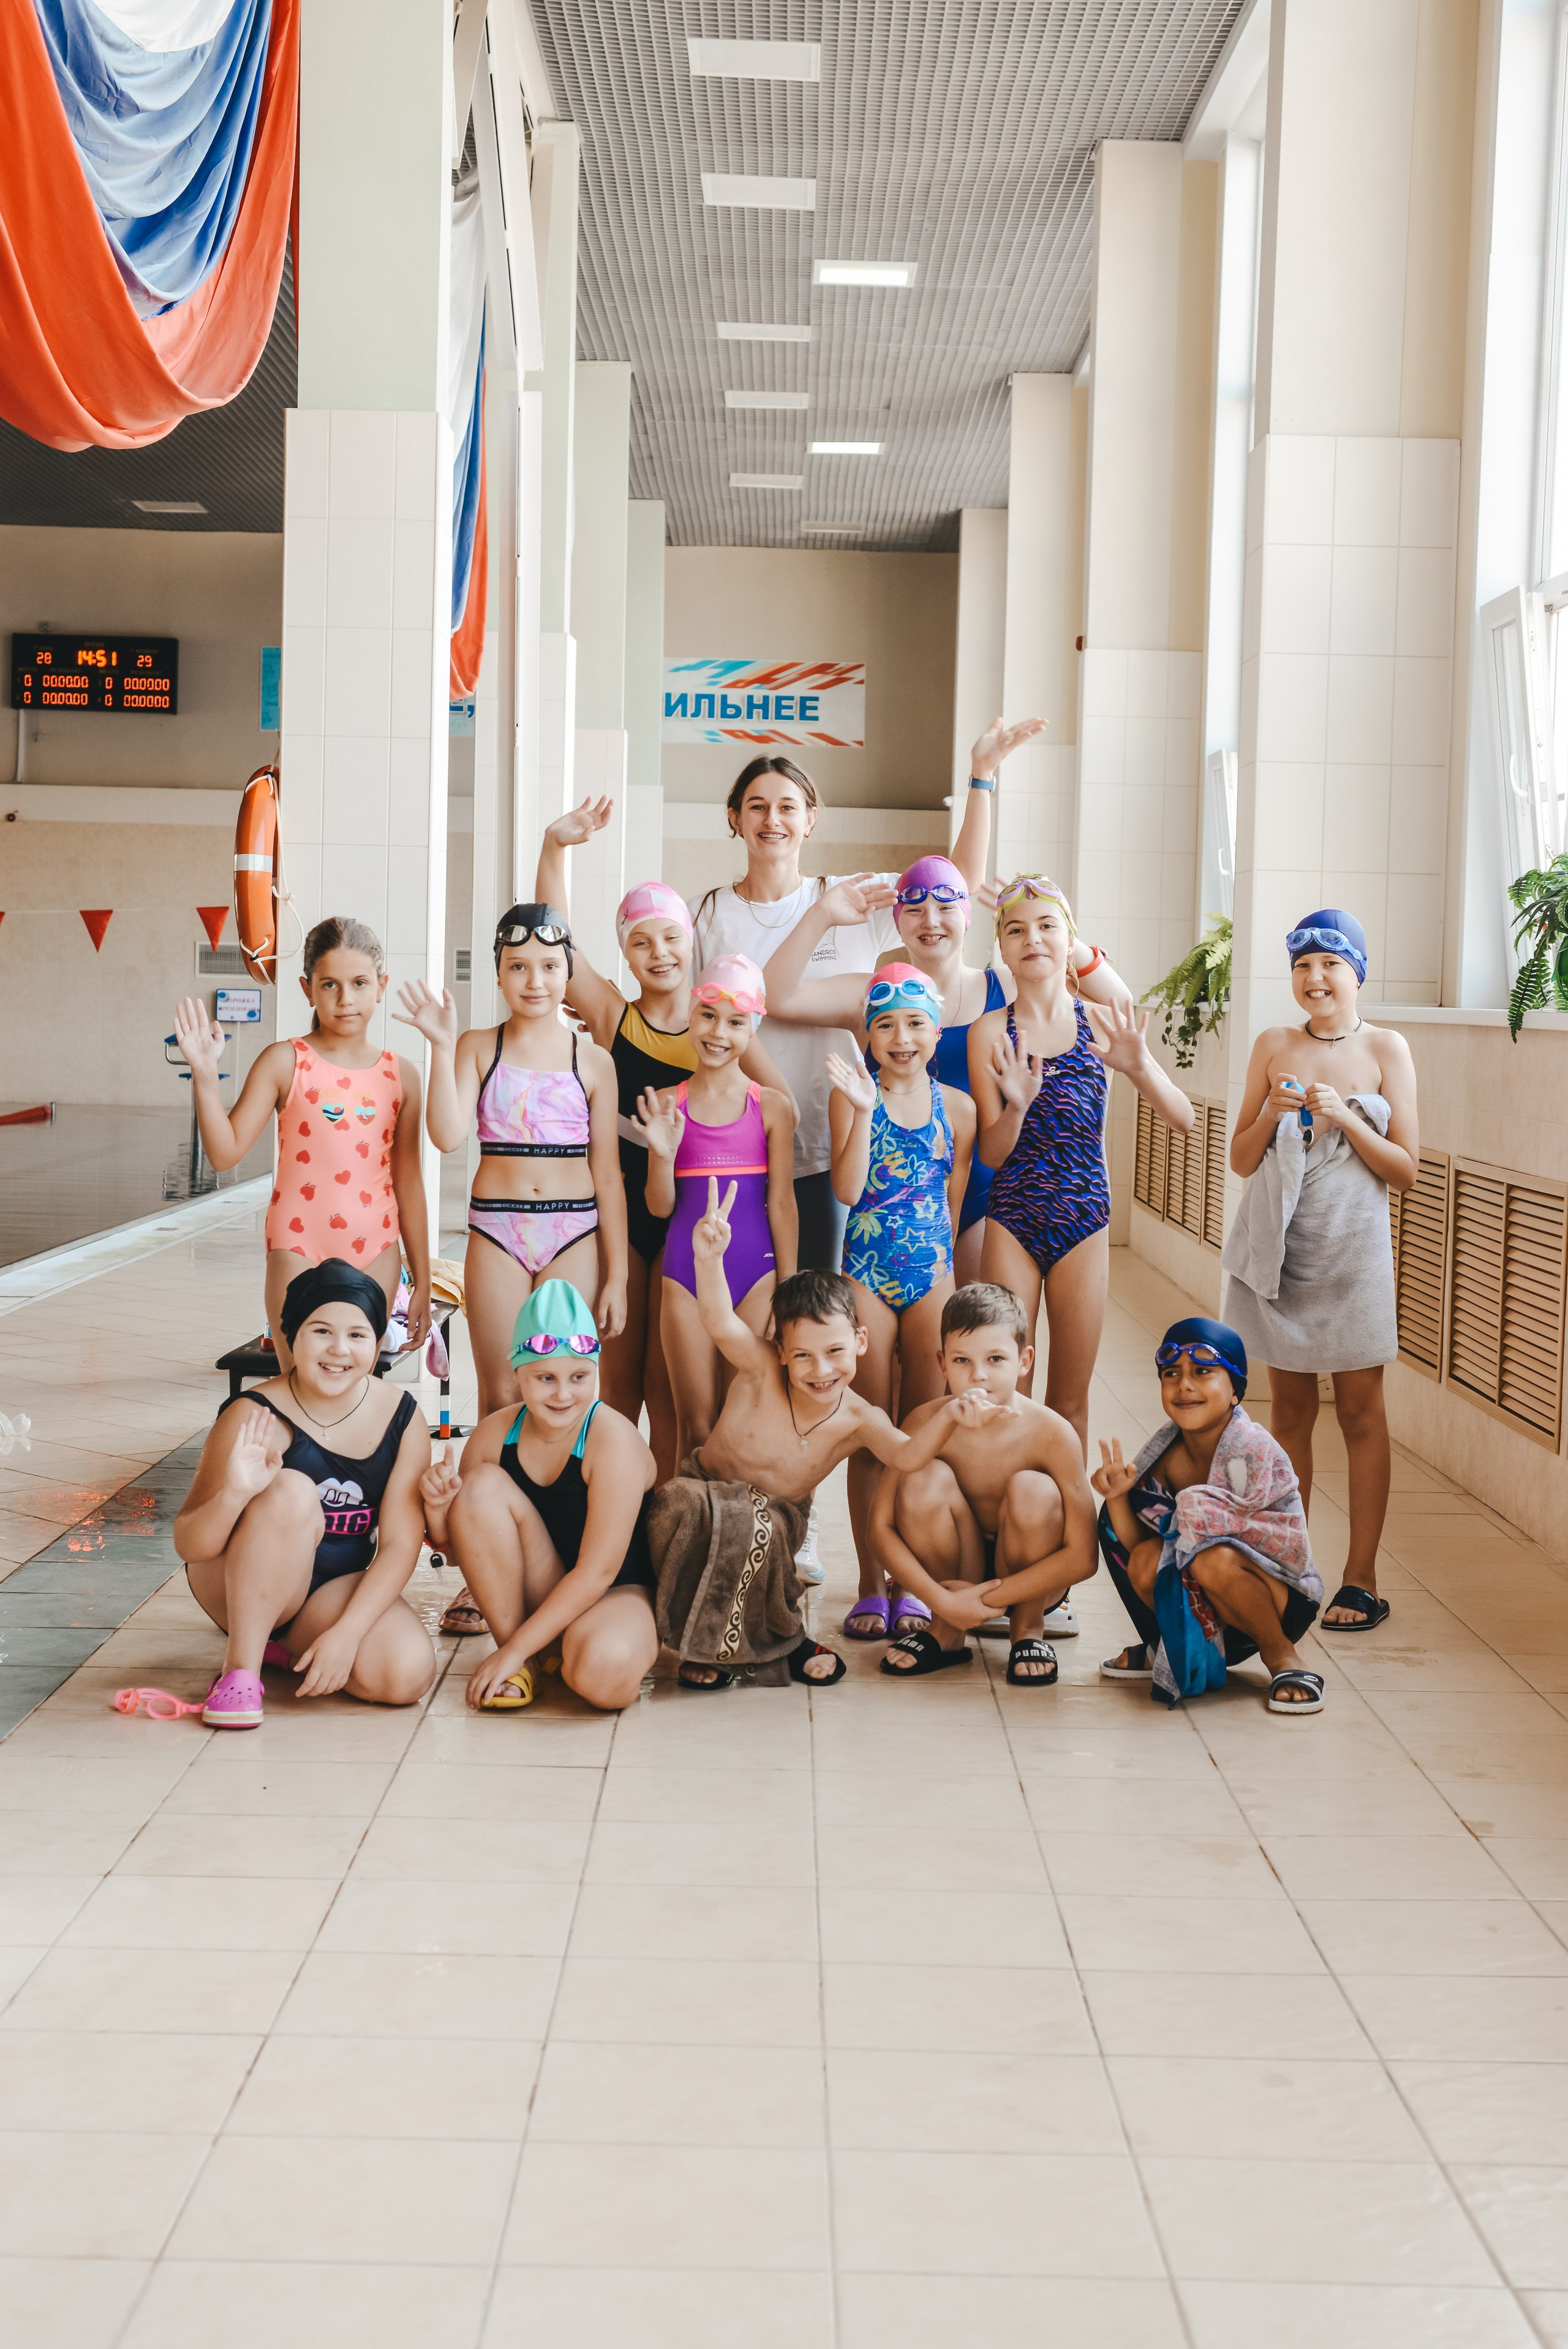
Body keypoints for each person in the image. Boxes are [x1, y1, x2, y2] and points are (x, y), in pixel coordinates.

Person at [688, 723, 1038, 1273]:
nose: (772, 820)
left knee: (824, 1305)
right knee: (751, 1292)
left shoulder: (851, 892)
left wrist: (982, 777)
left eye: (787, 806)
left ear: (811, 818)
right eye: (756, 807)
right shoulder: (707, 914)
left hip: (837, 1139)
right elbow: (702, 1015)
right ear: (735, 818)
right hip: (747, 1133)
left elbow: (954, 884)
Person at [646, 1178, 1002, 1689]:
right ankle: (776, 1646)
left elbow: (905, 1457)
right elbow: (718, 1319)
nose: (821, 1370)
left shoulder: (859, 1417)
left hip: (772, 1528)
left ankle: (727, 1654)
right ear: (781, 1350)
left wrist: (951, 1415)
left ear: (860, 1341)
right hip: (703, 1499)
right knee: (678, 1503)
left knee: (757, 1524)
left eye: (835, 1352)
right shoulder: (760, 1368)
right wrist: (709, 1260)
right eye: (804, 1356)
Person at [533, 806, 792, 1479]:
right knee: (618, 1385)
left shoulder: (719, 1019)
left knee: (669, 1391)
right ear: (626, 952)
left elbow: (776, 1103)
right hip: (625, 1210)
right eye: (642, 942)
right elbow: (556, 944)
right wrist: (554, 849)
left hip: (686, 1220)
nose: (660, 954)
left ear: (691, 943)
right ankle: (618, 1512)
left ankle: (669, 1513)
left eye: (671, 938)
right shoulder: (614, 1016)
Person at [396, 904, 627, 1640]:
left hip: (574, 1230)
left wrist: (617, 1272)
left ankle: (565, 1557)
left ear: (569, 973)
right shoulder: (475, 1046)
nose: (535, 979)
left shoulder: (592, 1061)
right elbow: (446, 1133)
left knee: (570, 1392)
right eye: (518, 966)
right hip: (496, 1230)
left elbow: (609, 1176)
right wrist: (438, 1045)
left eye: (550, 967)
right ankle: (482, 1568)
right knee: (499, 1394)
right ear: (497, 972)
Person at [762, 859, 1132, 1285]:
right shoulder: (873, 993)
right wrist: (821, 914)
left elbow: (1120, 1005)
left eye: (946, 905)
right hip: (895, 1204)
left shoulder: (1006, 988)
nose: (931, 920)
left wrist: (1052, 925)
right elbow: (774, 996)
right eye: (915, 909)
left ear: (968, 918)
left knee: (972, 1339)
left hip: (985, 1199)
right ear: (898, 924)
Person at [1223, 908, 1418, 1634]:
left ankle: (1361, 1578)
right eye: (1302, 964)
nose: (1315, 977)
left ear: (1357, 972)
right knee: (1291, 1416)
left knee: (1362, 1414)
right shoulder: (1272, 1044)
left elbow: (1406, 1170)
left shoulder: (1386, 1049)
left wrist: (1351, 1120)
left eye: (1330, 964)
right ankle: (1290, 1567)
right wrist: (1268, 1113)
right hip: (1282, 1254)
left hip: (1353, 1255)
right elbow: (1241, 1160)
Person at [969, 875, 1195, 1450]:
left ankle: (1067, 1532)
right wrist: (1015, 1108)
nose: (1033, 939)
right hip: (1014, 1214)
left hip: (1084, 1219)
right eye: (1016, 929)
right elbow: (991, 1153)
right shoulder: (989, 1032)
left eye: (1047, 926)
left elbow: (1184, 1117)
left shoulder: (1101, 1022)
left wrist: (1140, 1065)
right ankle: (1007, 1525)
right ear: (1002, 947)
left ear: (1071, 940)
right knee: (1003, 1393)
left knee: (1068, 1400)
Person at [173, 1261, 437, 1728]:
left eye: (358, 1335)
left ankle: (288, 1644)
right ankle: (240, 1671)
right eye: (321, 1331)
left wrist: (347, 1635)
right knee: (292, 1490)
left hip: (328, 1591)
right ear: (290, 1336)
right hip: (235, 1584)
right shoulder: (254, 1415)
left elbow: (399, 1545)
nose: (339, 1349)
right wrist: (235, 1493)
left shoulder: (402, 1417)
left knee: (406, 1675)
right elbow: (191, 1546)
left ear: (378, 1344)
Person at [173, 914, 431, 1367]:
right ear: (306, 987)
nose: (346, 999)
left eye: (359, 983)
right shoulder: (284, 1061)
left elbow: (408, 1184)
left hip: (376, 1247)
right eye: (329, 984)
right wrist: (205, 1075)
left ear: (381, 985)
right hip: (297, 1244)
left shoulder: (401, 1074)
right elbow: (224, 1152)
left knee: (354, 1389)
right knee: (299, 1386)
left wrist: (424, 1279)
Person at [418, 1281, 660, 1712]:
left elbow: (598, 1572)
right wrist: (438, 1514)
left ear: (595, 1372)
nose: (563, 1394)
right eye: (545, 1378)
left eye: (579, 1377)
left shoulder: (612, 1439)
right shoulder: (495, 1434)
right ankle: (530, 1658)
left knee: (602, 1675)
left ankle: (553, 1651)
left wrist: (505, 1653)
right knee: (477, 1490)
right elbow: (462, 1554)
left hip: (615, 1592)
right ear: (518, 1374)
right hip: (543, 1587)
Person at [824, 966, 974, 1639]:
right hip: (865, 1273)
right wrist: (859, 1110)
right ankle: (866, 1579)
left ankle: (912, 1578)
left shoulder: (959, 1109)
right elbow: (849, 1191)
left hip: (930, 1277)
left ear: (935, 1031)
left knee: (921, 1432)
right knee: (870, 1432)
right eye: (884, 1024)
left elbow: (954, 1199)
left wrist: (946, 1276)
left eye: (914, 1022)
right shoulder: (853, 1097)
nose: (900, 1036)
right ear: (868, 1034)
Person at [1092, 1317, 1325, 1713]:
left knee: (1212, 1558)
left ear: (1235, 1390)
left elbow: (1283, 1546)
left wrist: (1199, 1521)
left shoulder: (1253, 1450)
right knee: (1143, 1554)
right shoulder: (1163, 1458)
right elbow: (1135, 1548)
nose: (1185, 1384)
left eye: (1202, 1372)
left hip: (1278, 1599)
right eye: (1171, 1373)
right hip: (1208, 1607)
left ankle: (1282, 1655)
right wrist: (1117, 1497)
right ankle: (1170, 1645)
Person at [869, 1283, 1099, 1684]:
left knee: (1034, 1489)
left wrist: (988, 1599)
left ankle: (1027, 1629)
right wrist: (942, 1601)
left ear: (1024, 1360)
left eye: (996, 1358)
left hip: (1034, 1575)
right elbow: (880, 1528)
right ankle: (947, 1629)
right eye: (962, 1360)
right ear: (942, 1362)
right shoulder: (925, 1422)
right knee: (923, 1478)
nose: (978, 1375)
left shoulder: (1051, 1432)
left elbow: (1083, 1555)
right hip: (957, 1564)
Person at [632, 954, 797, 1463]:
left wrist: (788, 1290)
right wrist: (662, 1154)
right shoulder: (667, 1104)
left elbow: (783, 1204)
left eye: (735, 1021)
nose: (718, 1032)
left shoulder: (772, 1107)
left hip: (758, 1277)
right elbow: (659, 1209)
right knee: (695, 1431)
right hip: (686, 1276)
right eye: (708, 1015)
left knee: (743, 1421)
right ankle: (691, 1542)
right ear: (690, 1012)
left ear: (754, 1028)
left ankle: (740, 1540)